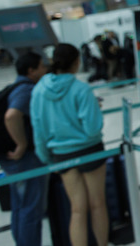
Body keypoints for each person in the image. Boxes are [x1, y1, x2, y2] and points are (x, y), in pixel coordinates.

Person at [30, 44, 108, 246]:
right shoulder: (81, 89)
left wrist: (48, 159)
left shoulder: (39, 91)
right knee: (97, 204)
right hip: (89, 151)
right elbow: (92, 129)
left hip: (61, 155)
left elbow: (38, 130)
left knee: (77, 209)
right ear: (76, 62)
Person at [0, 52, 47, 246]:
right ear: (31, 70)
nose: (44, 69)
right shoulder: (26, 90)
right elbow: (11, 116)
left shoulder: (16, 86)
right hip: (25, 160)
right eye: (41, 66)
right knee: (31, 209)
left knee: (20, 206)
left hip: (15, 161)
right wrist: (22, 144)